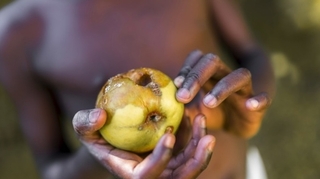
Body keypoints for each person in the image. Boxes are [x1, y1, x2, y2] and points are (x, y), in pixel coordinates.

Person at [0, 0, 275, 178]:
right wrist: (95, 160)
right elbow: (50, 165)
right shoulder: (17, 33)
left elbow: (253, 54)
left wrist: (249, 109)